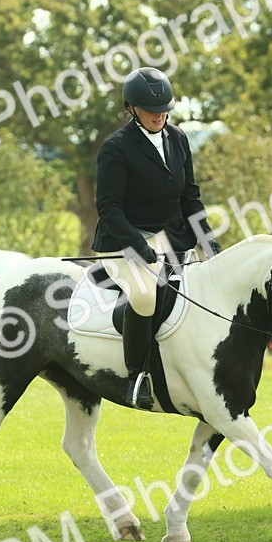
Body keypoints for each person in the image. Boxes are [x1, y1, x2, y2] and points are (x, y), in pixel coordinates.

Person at [92, 66, 222, 409]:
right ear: (132, 109)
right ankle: (136, 376)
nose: (158, 115)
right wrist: (138, 246)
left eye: (164, 109)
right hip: (124, 240)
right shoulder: (116, 147)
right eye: (151, 111)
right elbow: (108, 207)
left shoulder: (177, 139)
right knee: (145, 293)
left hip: (171, 239)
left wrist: (207, 240)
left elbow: (190, 196)